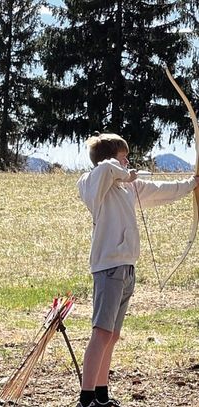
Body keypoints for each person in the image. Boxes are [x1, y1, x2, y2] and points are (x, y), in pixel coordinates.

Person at [75, 132, 199, 407]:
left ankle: (101, 394)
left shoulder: (127, 186)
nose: (128, 162)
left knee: (113, 334)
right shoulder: (93, 183)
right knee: (101, 332)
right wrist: (124, 172)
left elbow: (160, 190)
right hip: (108, 266)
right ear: (111, 159)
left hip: (126, 267)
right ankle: (85, 400)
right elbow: (106, 169)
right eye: (123, 157)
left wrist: (192, 184)